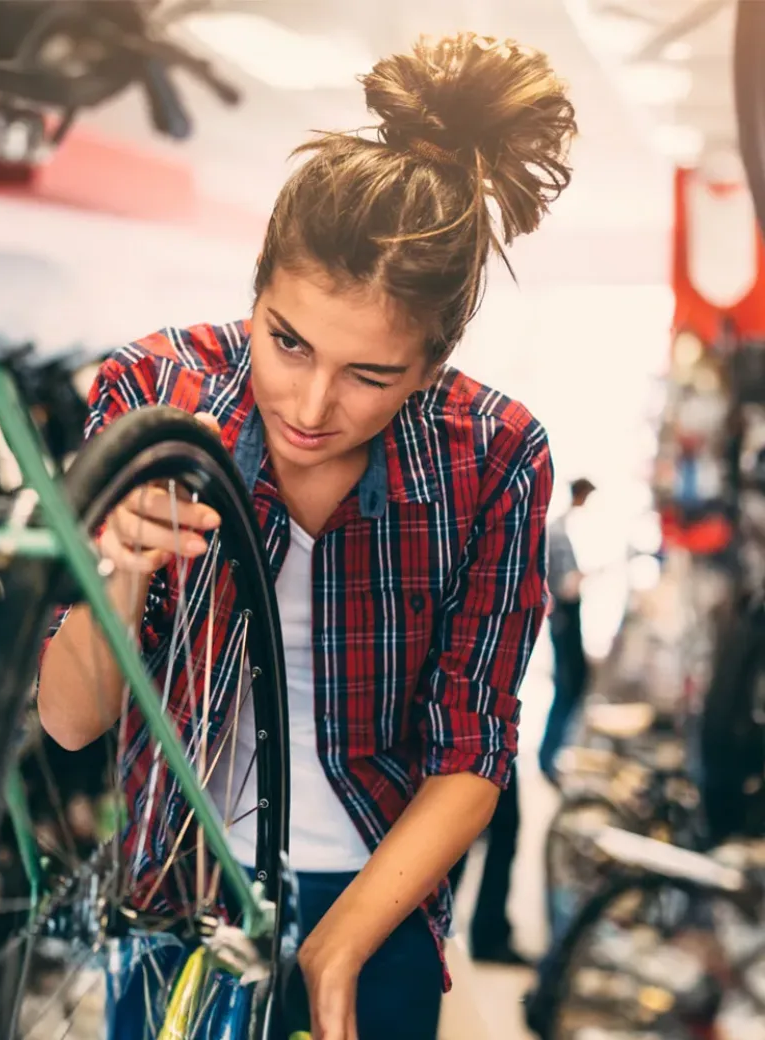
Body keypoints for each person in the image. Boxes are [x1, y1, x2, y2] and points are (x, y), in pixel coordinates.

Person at [40, 31, 575, 1040]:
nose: (311, 402)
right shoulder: (152, 389)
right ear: (255, 292)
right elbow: (71, 719)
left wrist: (338, 944)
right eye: (286, 340)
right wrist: (118, 555)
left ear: (431, 363)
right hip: (172, 890)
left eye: (370, 374)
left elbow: (473, 747)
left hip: (377, 892)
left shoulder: (494, 454)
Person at [539, 477, 595, 784]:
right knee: (568, 684)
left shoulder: (562, 529)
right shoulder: (559, 531)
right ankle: (549, 756)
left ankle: (553, 752)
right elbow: (564, 583)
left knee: (575, 682)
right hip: (564, 617)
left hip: (566, 616)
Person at [447, 769, 526, 967]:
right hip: (479, 749)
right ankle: (488, 934)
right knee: (487, 832)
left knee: (460, 830)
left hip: (471, 751)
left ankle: (433, 920)